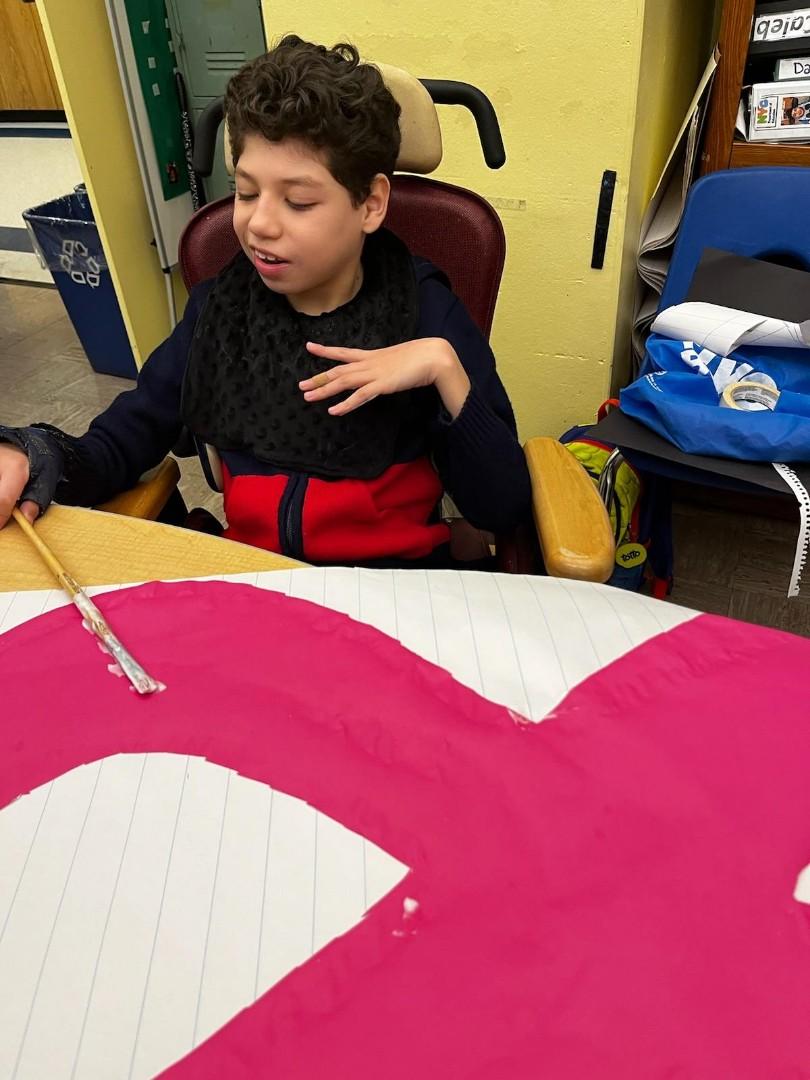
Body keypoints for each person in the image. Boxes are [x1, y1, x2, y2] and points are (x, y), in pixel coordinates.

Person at [0, 36, 530, 567]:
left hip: (398, 595)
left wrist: (444, 370)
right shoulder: (219, 310)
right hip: (261, 589)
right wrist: (32, 454)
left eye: (298, 202)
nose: (259, 224)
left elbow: (501, 507)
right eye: (246, 192)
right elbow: (118, 445)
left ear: (370, 204)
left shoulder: (425, 312)